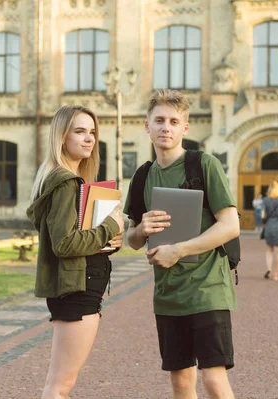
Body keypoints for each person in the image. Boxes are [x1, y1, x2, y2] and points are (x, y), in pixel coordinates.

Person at [124, 89, 240, 399]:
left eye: (174, 121)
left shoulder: (204, 165)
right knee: (181, 384)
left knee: (214, 382)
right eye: (159, 120)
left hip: (208, 290)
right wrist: (141, 230)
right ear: (147, 126)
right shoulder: (141, 177)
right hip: (168, 295)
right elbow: (132, 239)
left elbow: (230, 225)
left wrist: (181, 250)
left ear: (185, 128)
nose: (166, 127)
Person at [26, 105, 125, 399]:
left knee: (57, 384)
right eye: (80, 131)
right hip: (77, 290)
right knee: (60, 387)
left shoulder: (61, 179)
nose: (89, 139)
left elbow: (69, 238)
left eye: (92, 132)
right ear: (61, 137)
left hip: (75, 287)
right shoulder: (67, 183)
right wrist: (109, 226)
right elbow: (64, 244)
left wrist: (107, 241)